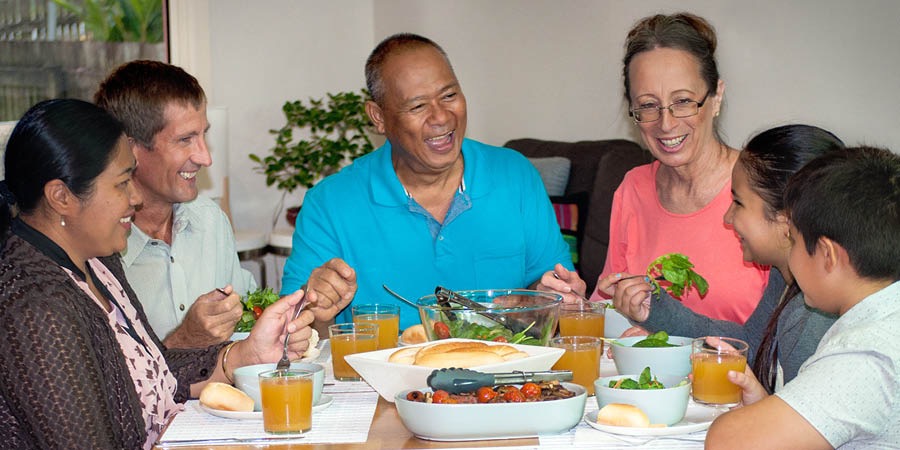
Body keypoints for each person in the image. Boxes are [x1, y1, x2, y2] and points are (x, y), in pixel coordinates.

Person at [0, 99, 315, 449]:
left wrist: (246, 354)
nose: (136, 198)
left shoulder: (99, 263)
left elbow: (156, 375)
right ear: (61, 196)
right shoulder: (34, 307)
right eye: (122, 183)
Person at [280, 33, 573, 330]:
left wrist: (545, 297)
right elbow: (292, 333)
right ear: (378, 117)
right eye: (418, 106)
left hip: (505, 370)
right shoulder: (329, 203)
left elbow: (555, 294)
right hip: (378, 375)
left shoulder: (515, 175)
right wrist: (316, 308)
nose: (442, 117)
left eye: (449, 96)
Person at [94, 60, 348, 348]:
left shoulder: (210, 219)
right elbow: (109, 383)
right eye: (185, 139)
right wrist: (185, 341)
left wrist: (308, 302)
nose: (205, 157)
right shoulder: (96, 247)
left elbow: (252, 324)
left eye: (204, 135)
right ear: (130, 150)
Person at [547, 13, 771, 324]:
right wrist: (579, 306)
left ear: (716, 96)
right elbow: (614, 306)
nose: (666, 124)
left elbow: (782, 338)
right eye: (648, 105)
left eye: (683, 101)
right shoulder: (633, 187)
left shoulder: (766, 187)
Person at [605, 124, 841, 391]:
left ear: (786, 218)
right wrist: (655, 309)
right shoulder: (784, 278)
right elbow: (750, 345)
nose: (728, 218)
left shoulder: (814, 314)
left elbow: (803, 428)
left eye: (738, 203)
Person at [706, 146, 900, 448]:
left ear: (828, 255)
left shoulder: (865, 356)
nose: (790, 254)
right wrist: (771, 406)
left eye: (794, 240)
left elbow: (727, 441)